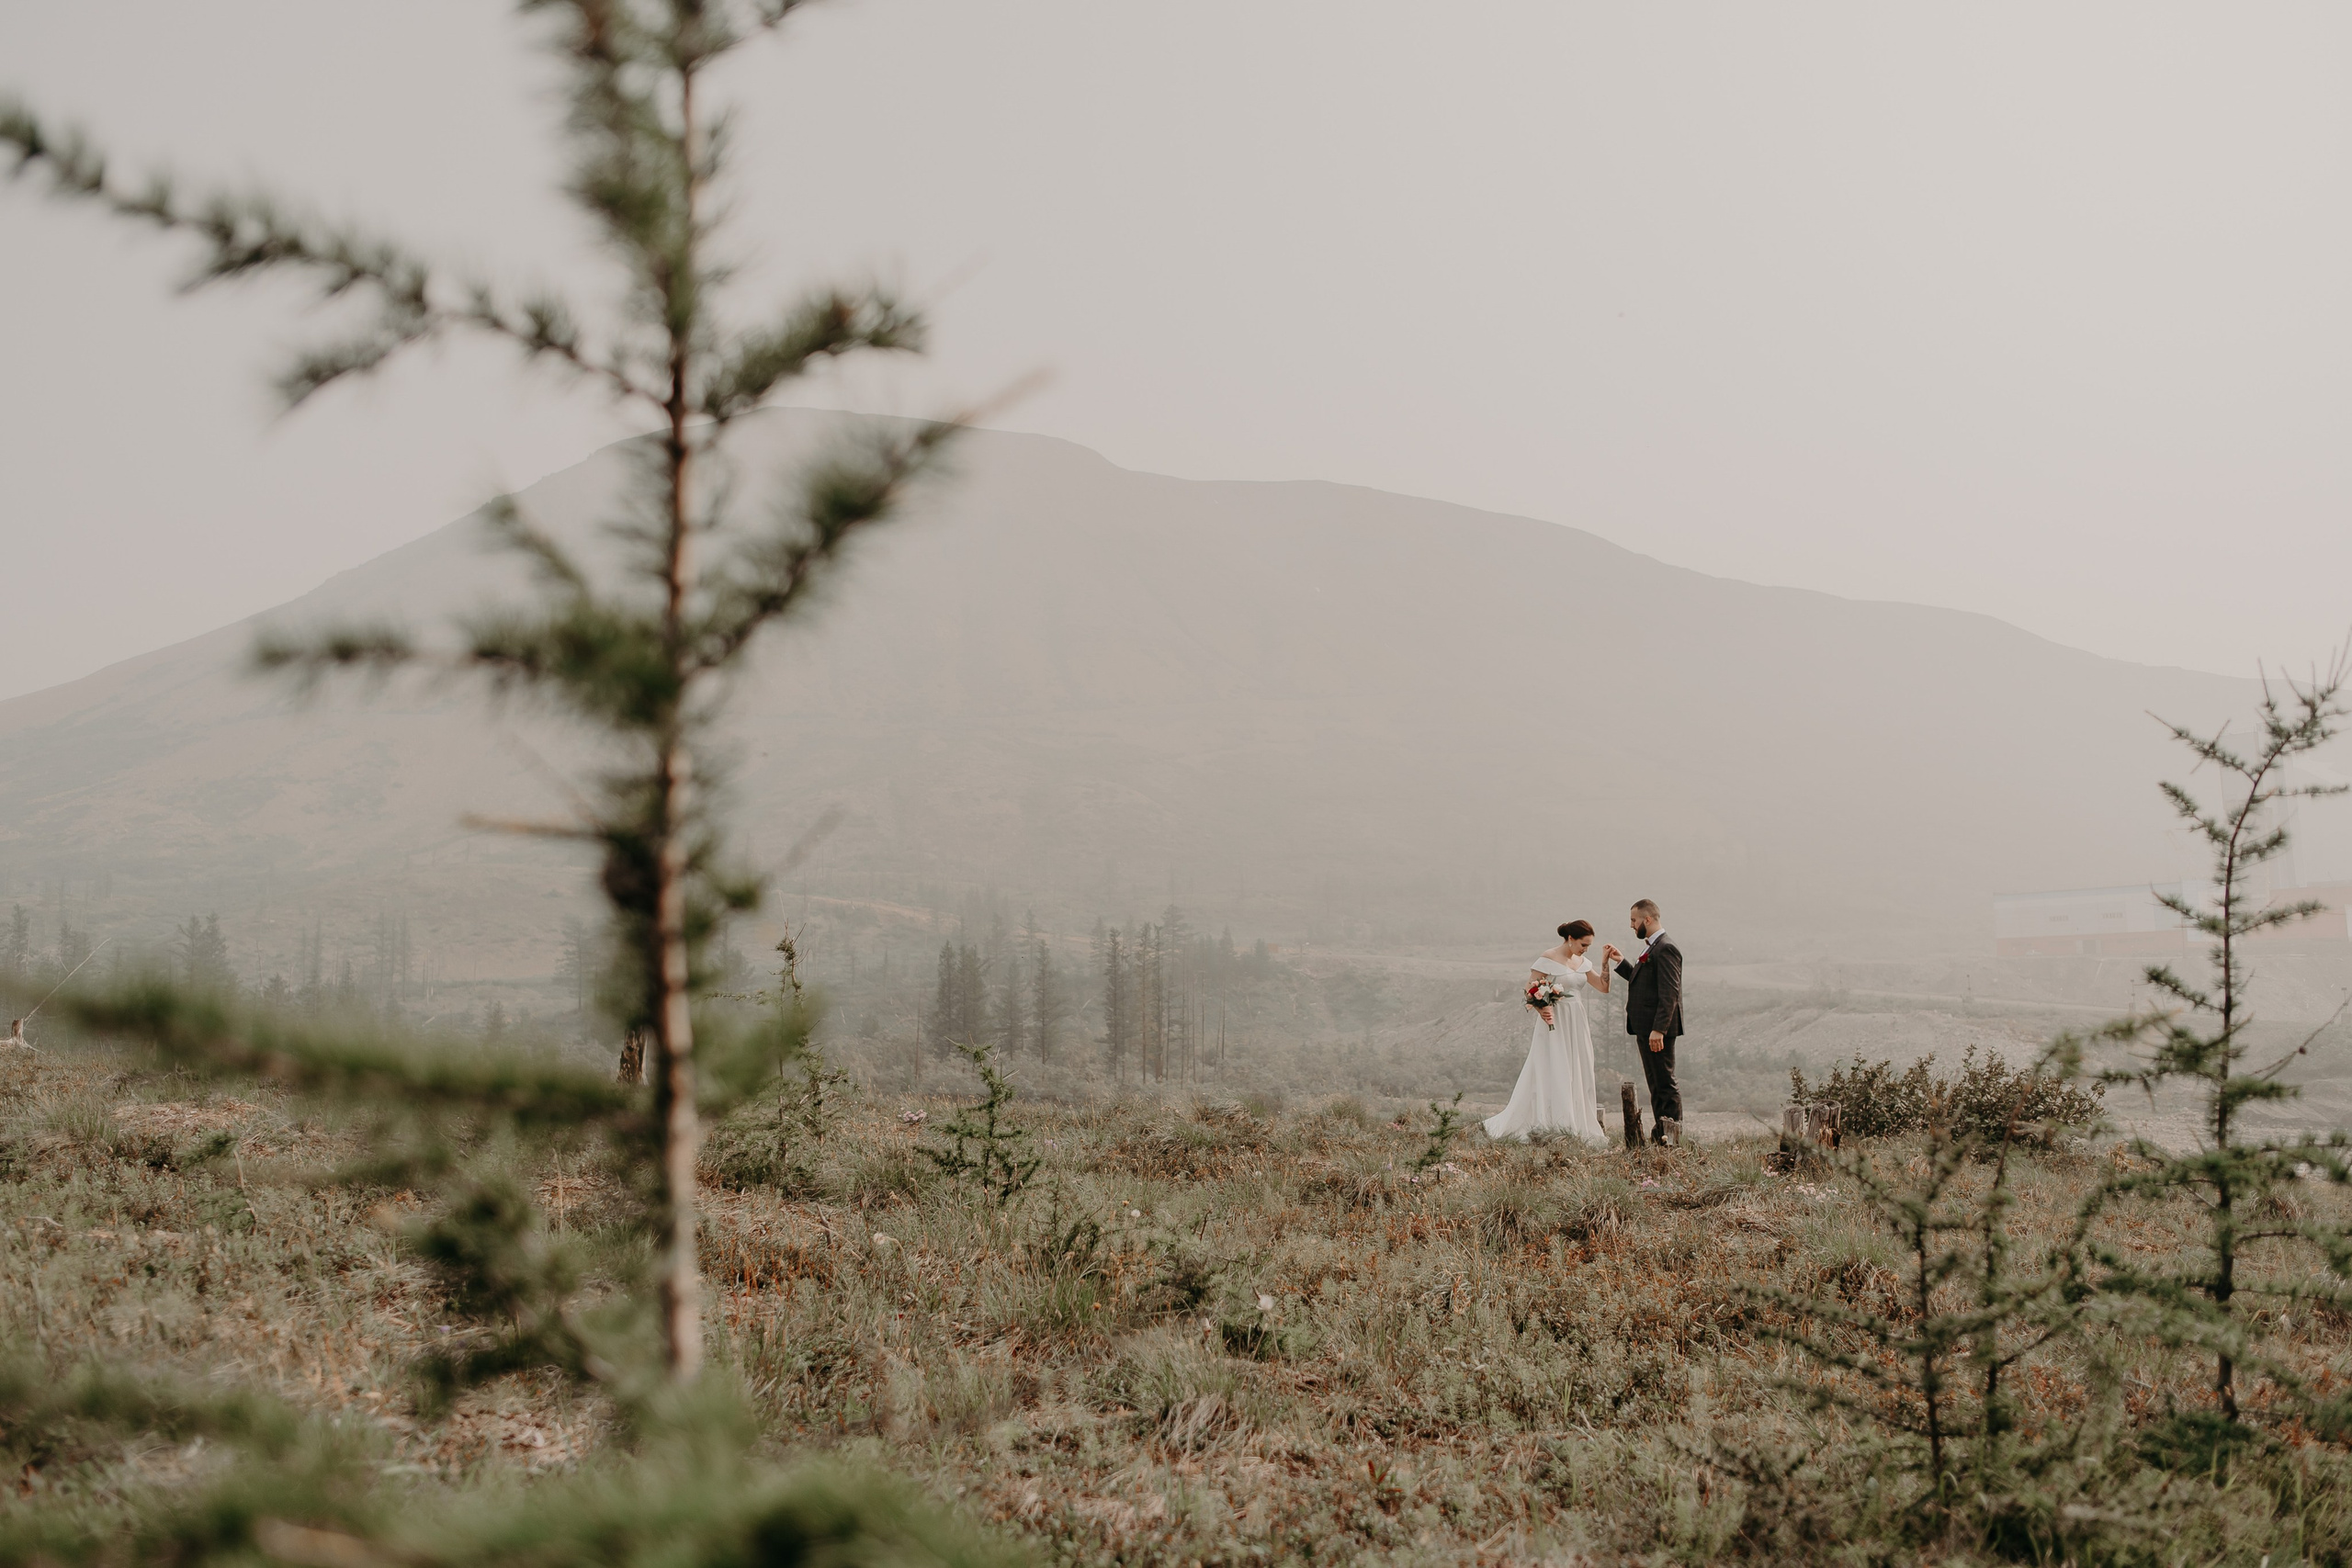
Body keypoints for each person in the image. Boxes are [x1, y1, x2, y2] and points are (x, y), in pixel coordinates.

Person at [1484, 920, 1611, 1144]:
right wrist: (1541, 1008)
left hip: (1577, 1022)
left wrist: (1605, 962)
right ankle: (1553, 1123)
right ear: (1570, 939)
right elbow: (1529, 989)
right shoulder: (1549, 957)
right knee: (1554, 1067)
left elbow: (1603, 987)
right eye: (1583, 944)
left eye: (1589, 946)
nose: (1585, 949)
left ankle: (1576, 1123)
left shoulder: (1582, 961)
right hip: (1556, 1022)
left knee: (1578, 1067)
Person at [1612, 898, 1683, 1144]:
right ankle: (1660, 1134)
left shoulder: (1666, 948)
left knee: (1664, 1083)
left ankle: (1671, 1137)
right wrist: (1622, 963)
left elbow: (1669, 992)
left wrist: (1658, 1030)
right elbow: (1643, 982)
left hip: (1656, 1030)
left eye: (1634, 920)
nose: (1632, 925)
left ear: (1648, 919)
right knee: (1655, 1083)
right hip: (1646, 1028)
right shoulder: (1652, 947)